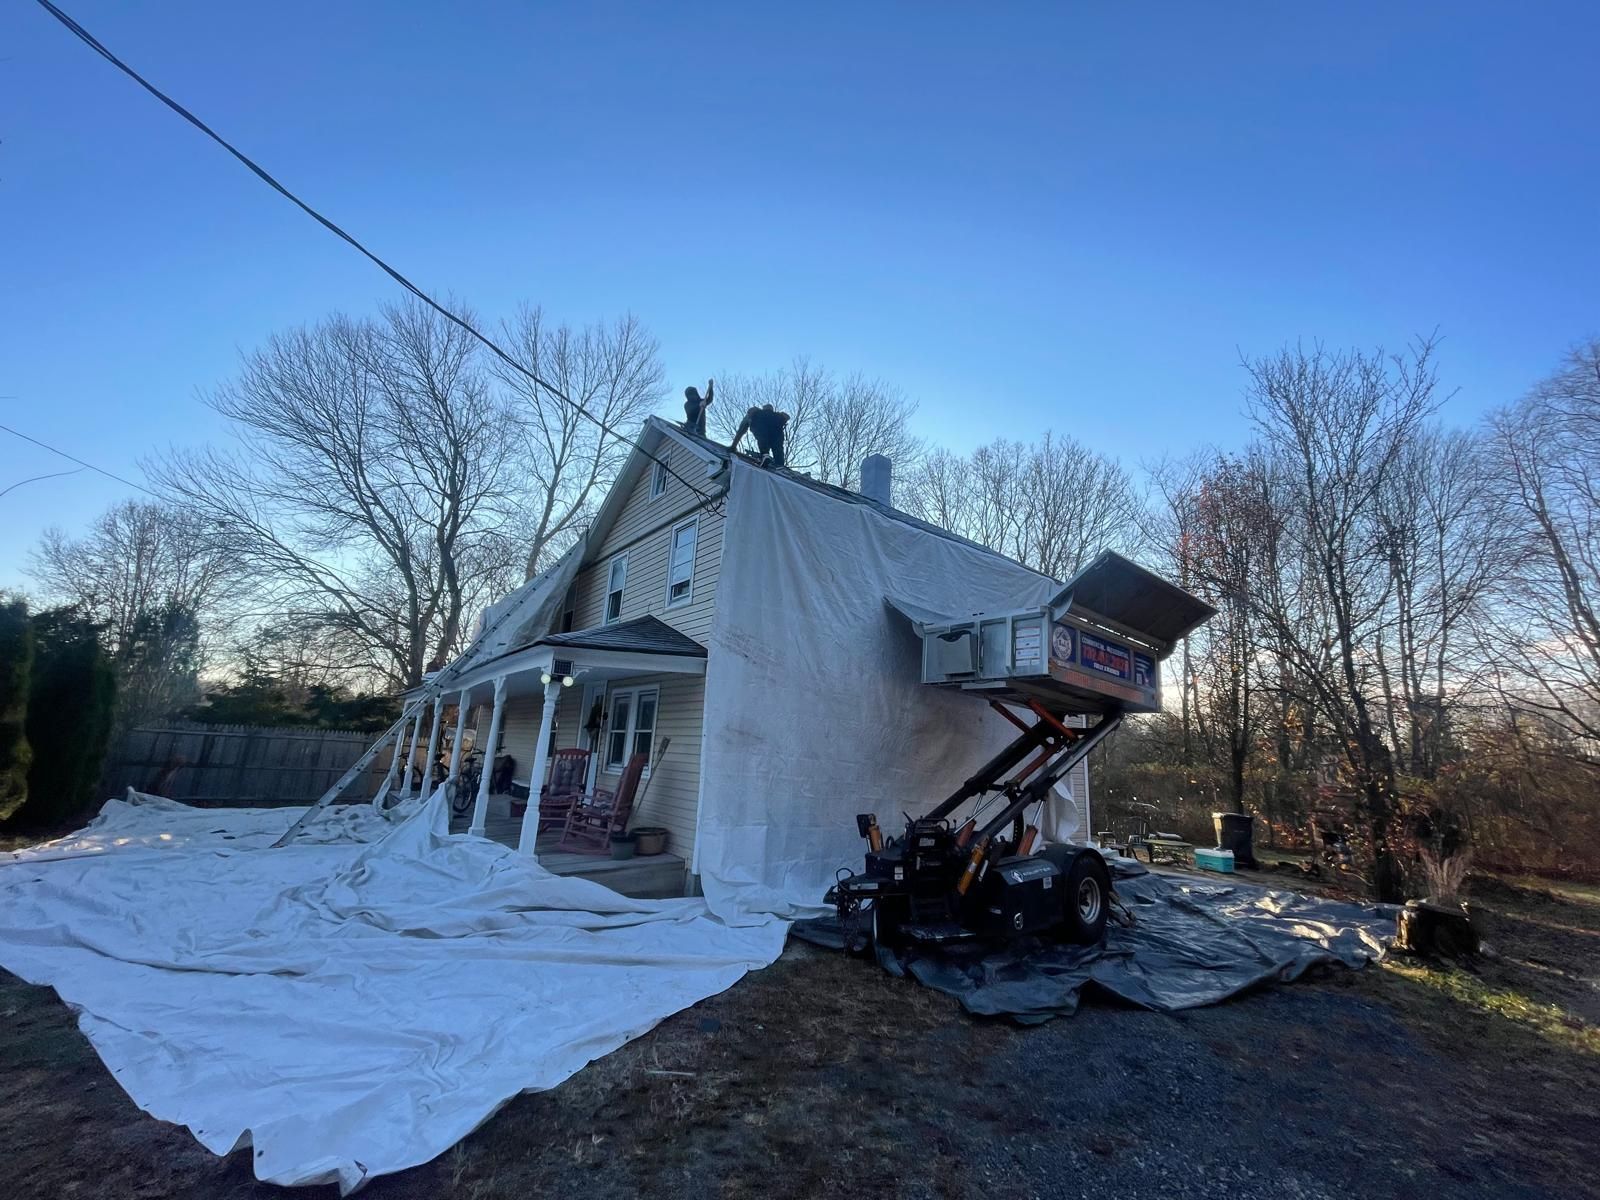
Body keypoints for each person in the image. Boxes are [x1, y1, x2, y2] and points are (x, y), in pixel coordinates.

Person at [730, 403, 790, 467]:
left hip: (760, 431)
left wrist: (733, 446)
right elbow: (787, 417)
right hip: (777, 435)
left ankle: (765, 455)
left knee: (763, 439)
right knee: (777, 448)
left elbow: (741, 430)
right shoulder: (778, 417)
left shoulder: (755, 413)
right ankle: (780, 463)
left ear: (763, 408)